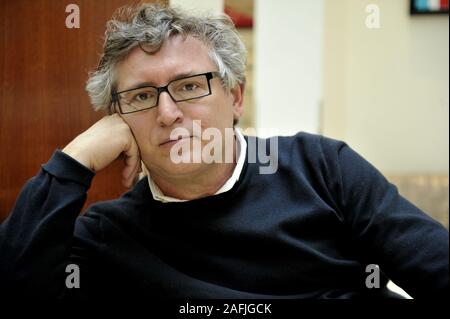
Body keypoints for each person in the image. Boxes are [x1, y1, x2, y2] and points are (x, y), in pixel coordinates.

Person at [0, 3, 448, 299]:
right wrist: (76, 157)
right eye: (140, 97)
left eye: (190, 86)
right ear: (116, 121)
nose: (168, 113)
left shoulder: (322, 168)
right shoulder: (108, 235)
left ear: (235, 97)